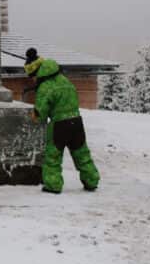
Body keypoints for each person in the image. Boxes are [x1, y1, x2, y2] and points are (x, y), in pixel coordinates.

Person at [25, 56, 100, 194]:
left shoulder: (45, 87)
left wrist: (35, 116)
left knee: (53, 156)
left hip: (59, 125)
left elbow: (40, 113)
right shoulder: (65, 80)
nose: (33, 80)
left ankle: (53, 185)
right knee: (82, 153)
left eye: (32, 77)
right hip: (76, 121)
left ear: (37, 73)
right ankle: (91, 180)